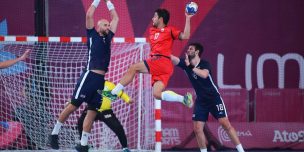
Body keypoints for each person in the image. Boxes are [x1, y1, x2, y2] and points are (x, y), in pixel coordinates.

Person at [49, 0, 119, 151]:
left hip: (100, 80)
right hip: (89, 76)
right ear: (98, 26)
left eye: (108, 25)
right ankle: (54, 134)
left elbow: (116, 19)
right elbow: (89, 14)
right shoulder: (92, 34)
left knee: (92, 111)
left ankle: (83, 144)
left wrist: (109, 2)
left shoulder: (108, 38)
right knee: (73, 105)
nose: (108, 26)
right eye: (105, 24)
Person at [104, 8, 194, 107]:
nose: (152, 18)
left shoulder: (170, 30)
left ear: (161, 19)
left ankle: (113, 93)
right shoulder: (152, 30)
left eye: (155, 16)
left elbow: (185, 36)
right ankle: (183, 99)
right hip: (163, 66)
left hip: (161, 61)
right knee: (157, 94)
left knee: (133, 68)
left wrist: (188, 18)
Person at [170, 43, 245, 152]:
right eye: (188, 48)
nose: (188, 50)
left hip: (214, 98)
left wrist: (190, 66)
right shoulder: (185, 63)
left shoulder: (205, 63)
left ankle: (241, 150)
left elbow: (204, 75)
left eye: (191, 49)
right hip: (201, 101)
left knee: (225, 124)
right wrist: (161, 52)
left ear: (197, 52)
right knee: (197, 129)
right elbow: (173, 59)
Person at [77, 81, 131, 152]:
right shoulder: (92, 83)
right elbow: (81, 95)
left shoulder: (110, 84)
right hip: (91, 109)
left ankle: (125, 148)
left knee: (118, 128)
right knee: (81, 122)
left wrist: (128, 99)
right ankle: (83, 144)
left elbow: (120, 93)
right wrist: (71, 102)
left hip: (106, 111)